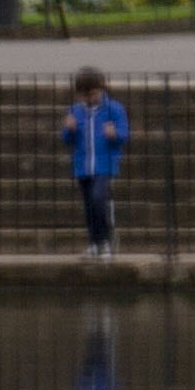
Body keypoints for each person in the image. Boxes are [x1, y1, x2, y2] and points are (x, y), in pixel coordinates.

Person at [65, 65, 132, 260]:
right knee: (89, 206)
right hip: (83, 166)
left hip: (105, 165)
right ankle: (94, 243)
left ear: (101, 90)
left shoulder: (114, 109)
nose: (89, 99)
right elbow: (67, 139)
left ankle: (107, 241)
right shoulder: (75, 111)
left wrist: (115, 134)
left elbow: (124, 134)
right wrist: (69, 129)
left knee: (99, 199)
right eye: (84, 96)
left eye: (93, 94)